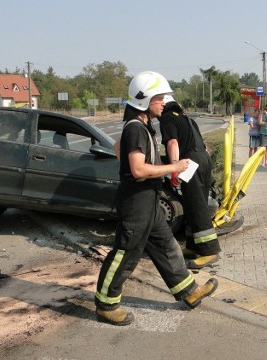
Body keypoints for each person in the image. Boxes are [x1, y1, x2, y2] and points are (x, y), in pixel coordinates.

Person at [94, 71, 218, 326]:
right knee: (125, 253)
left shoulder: (139, 126)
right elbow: (138, 170)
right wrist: (173, 168)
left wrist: (140, 167)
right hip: (136, 203)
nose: (163, 102)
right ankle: (106, 304)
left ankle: (189, 291)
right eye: (159, 98)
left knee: (167, 246)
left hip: (148, 200)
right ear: (144, 100)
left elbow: (120, 150)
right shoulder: (136, 128)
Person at [158, 94, 222, 270]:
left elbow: (172, 143)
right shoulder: (187, 119)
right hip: (203, 160)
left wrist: (173, 170)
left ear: (163, 104)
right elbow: (202, 143)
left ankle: (209, 250)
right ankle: (193, 246)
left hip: (190, 163)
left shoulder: (167, 118)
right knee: (193, 204)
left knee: (197, 206)